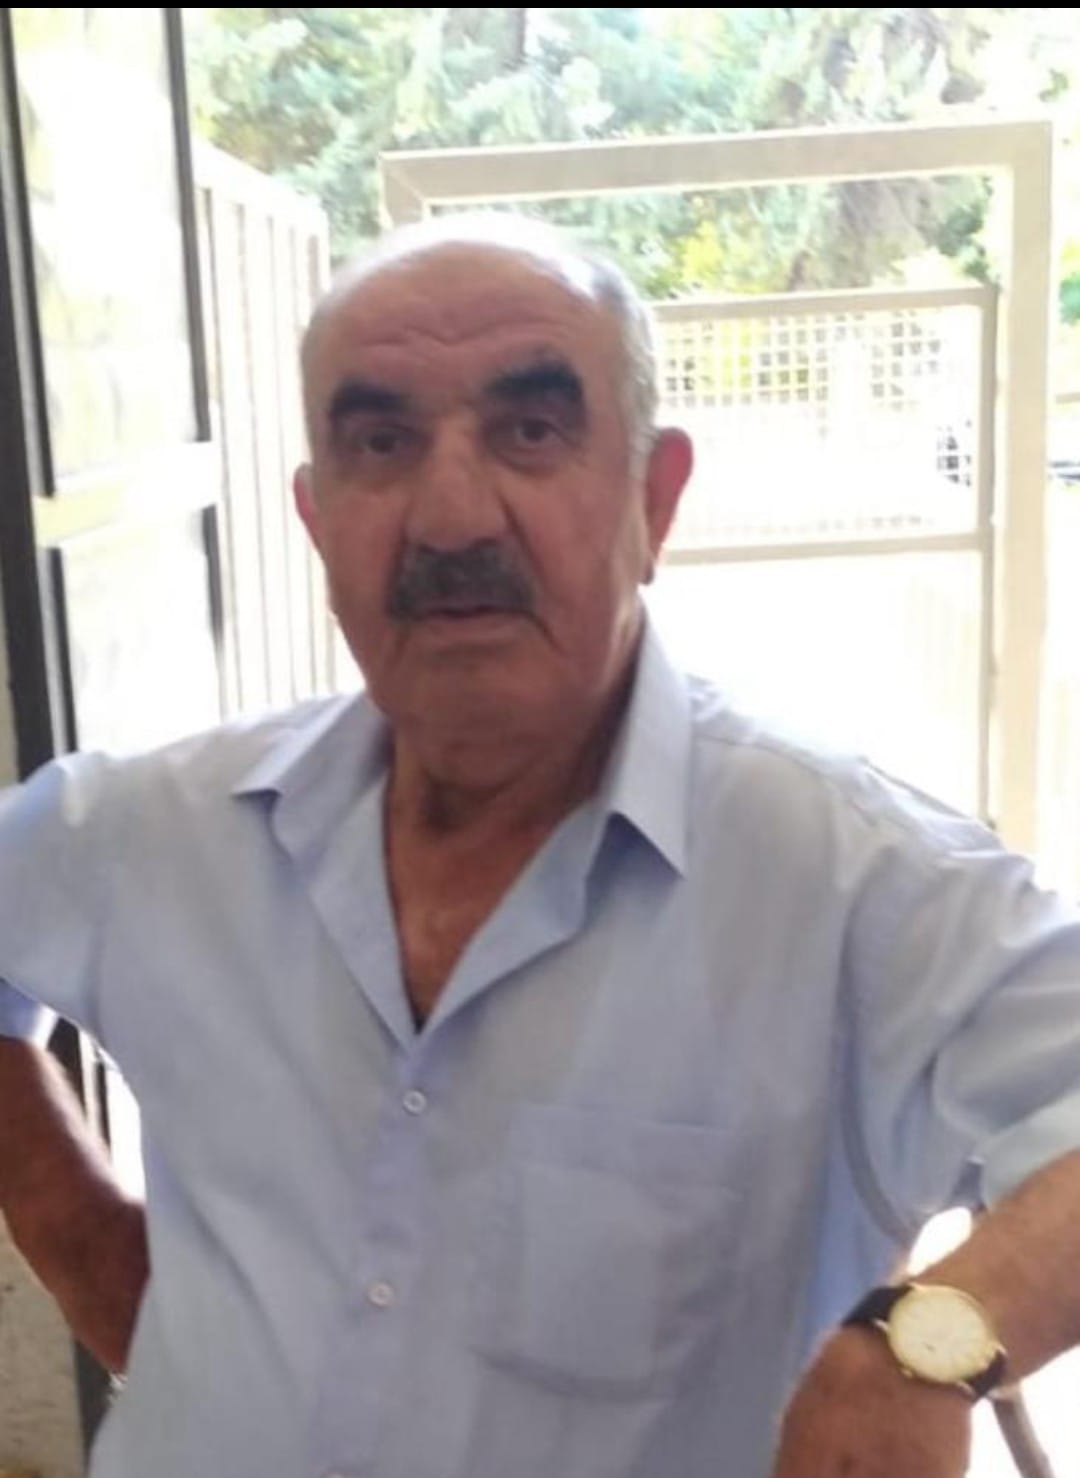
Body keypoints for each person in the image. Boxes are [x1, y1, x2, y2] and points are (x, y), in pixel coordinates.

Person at [1, 212, 1079, 1478]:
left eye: (530, 431)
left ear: (655, 499)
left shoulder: (855, 884)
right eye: (381, 443)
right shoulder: (160, 833)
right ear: (315, 516)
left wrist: (927, 1342)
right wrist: (77, 1228)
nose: (452, 516)